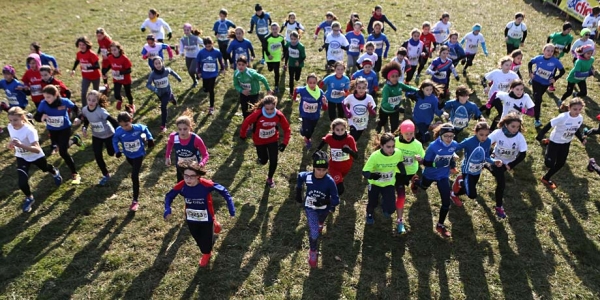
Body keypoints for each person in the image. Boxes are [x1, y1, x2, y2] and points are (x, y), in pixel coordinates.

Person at [164, 161, 235, 267]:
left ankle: (206, 253)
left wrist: (231, 207)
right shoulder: (181, 185)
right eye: (186, 176)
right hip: (191, 217)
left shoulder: (206, 185)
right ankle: (215, 225)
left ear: (198, 176)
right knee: (196, 236)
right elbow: (169, 196)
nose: (188, 179)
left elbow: (224, 191)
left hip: (206, 218)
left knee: (205, 241)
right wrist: (167, 209)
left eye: (192, 176)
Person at [6, 107, 62, 213]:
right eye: (10, 120)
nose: (12, 123)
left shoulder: (29, 130)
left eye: (15, 120)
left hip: (36, 156)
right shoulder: (10, 127)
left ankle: (54, 172)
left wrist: (21, 145)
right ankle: (29, 198)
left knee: (45, 168)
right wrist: (11, 144)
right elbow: (13, 139)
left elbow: (36, 149)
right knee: (22, 183)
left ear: (22, 118)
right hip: (21, 157)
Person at [411, 123, 458, 237]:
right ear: (441, 135)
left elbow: (451, 155)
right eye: (446, 136)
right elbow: (424, 163)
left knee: (446, 202)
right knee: (424, 187)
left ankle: (440, 225)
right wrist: (435, 163)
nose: (449, 139)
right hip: (430, 173)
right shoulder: (433, 146)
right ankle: (415, 182)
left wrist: (452, 165)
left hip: (443, 175)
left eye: (451, 136)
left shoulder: (454, 144)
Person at [296, 150, 339, 268]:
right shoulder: (308, 176)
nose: (321, 172)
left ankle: (320, 223)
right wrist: (298, 191)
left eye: (324, 170)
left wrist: (327, 202)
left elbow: (336, 199)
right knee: (314, 233)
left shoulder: (329, 181)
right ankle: (313, 251)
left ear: (327, 169)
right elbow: (300, 176)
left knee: (321, 220)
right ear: (313, 168)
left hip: (324, 209)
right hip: (310, 209)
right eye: (318, 169)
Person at [34, 85, 84, 184]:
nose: (46, 99)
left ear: (55, 95)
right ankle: (74, 140)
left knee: (63, 152)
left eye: (48, 97)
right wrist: (41, 118)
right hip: (52, 130)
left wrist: (78, 117)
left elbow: (77, 109)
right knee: (60, 145)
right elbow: (37, 116)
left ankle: (74, 173)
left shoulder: (64, 101)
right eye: (44, 97)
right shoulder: (43, 104)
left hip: (64, 129)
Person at [239, 95, 291, 188]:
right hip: (259, 141)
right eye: (267, 109)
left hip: (273, 139)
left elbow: (287, 129)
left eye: (272, 109)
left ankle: (270, 178)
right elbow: (246, 122)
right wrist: (243, 135)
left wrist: (284, 143)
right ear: (263, 106)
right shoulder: (258, 114)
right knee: (263, 161)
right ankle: (261, 159)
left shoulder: (279, 115)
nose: (270, 111)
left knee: (274, 160)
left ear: (275, 106)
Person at [536, 98, 585, 189]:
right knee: (549, 164)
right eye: (575, 109)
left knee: (561, 163)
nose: (577, 112)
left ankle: (546, 178)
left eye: (579, 109)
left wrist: (581, 139)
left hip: (566, 142)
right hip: (555, 141)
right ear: (569, 108)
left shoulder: (580, 118)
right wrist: (541, 134)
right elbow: (550, 124)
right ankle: (548, 143)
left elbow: (576, 129)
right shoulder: (563, 117)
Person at [485, 112, 527, 219]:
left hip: (507, 164)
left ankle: (485, 165)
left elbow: (523, 154)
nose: (515, 129)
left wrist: (511, 165)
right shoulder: (498, 133)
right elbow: (485, 143)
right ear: (506, 124)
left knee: (499, 176)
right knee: (501, 183)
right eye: (513, 126)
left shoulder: (519, 137)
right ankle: (499, 206)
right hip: (496, 160)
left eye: (518, 127)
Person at [112, 112, 155, 212]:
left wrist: (150, 138)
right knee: (134, 169)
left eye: (126, 125)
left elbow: (145, 129)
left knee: (134, 176)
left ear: (131, 120)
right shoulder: (119, 131)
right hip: (128, 155)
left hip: (138, 155)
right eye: (122, 126)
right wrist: (117, 150)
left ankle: (135, 200)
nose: (125, 128)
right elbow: (114, 140)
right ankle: (142, 140)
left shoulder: (138, 128)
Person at [450, 122, 501, 205]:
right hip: (467, 170)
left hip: (477, 170)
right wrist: (454, 154)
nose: (484, 137)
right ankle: (460, 180)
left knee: (468, 188)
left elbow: (486, 156)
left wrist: (494, 161)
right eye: (481, 134)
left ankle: (453, 194)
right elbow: (456, 148)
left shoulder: (488, 141)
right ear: (475, 132)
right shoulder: (468, 141)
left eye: (486, 135)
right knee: (472, 195)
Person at [362, 132, 406, 225]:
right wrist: (373, 175)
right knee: (373, 203)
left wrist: (403, 173)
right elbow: (364, 172)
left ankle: (385, 202)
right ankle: (369, 214)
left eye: (393, 146)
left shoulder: (398, 153)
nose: (391, 149)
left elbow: (399, 162)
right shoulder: (375, 156)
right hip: (375, 184)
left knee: (391, 209)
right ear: (382, 146)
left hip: (389, 183)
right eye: (388, 147)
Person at [81, 90, 118, 186]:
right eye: (89, 100)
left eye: (93, 100)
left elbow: (113, 121)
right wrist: (84, 127)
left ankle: (117, 148)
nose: (91, 102)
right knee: (97, 155)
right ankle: (105, 174)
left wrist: (119, 132)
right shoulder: (85, 109)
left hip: (108, 134)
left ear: (97, 101)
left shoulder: (101, 111)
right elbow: (86, 120)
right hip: (96, 136)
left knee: (111, 153)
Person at [394, 120, 424, 234]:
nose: (409, 136)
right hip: (398, 173)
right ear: (401, 132)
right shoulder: (395, 141)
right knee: (401, 196)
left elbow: (423, 159)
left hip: (411, 171)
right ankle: (400, 221)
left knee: (415, 181)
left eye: (411, 133)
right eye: (406, 133)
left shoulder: (417, 144)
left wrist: (420, 159)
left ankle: (414, 181)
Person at [315, 118, 357, 197]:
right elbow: (324, 141)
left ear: (345, 129)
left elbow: (356, 156)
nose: (340, 132)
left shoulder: (350, 139)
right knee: (340, 189)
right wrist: (316, 151)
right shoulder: (330, 137)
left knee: (339, 181)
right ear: (333, 130)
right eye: (337, 130)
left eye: (342, 129)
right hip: (334, 167)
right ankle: (330, 199)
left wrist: (349, 151)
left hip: (346, 167)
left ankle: (332, 183)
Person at [165, 110, 209, 182]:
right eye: (180, 129)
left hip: (194, 167)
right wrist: (167, 156)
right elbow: (170, 143)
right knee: (181, 184)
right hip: (181, 166)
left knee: (194, 185)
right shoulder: (174, 137)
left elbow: (205, 155)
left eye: (185, 129)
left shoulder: (196, 139)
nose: (182, 132)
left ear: (190, 127)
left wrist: (202, 163)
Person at [528, 44, 565, 127]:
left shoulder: (555, 61)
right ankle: (537, 119)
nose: (550, 53)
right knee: (538, 99)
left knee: (537, 97)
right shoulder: (538, 58)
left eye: (552, 51)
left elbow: (562, 71)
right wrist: (530, 72)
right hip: (536, 80)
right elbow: (530, 63)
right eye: (548, 50)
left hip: (545, 83)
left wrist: (555, 78)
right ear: (543, 51)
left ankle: (535, 108)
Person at [377, 61, 418, 133]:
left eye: (397, 76)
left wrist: (418, 90)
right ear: (388, 77)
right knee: (383, 121)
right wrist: (395, 107)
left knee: (394, 127)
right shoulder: (386, 88)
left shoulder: (400, 84)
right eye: (393, 76)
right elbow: (384, 102)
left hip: (395, 111)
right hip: (385, 110)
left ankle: (393, 138)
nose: (395, 78)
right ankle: (379, 125)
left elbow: (409, 88)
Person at [146, 57, 182, 132]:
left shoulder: (166, 70)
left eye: (159, 63)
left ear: (162, 63)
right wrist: (154, 89)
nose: (158, 65)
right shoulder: (152, 74)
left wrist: (178, 78)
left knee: (163, 106)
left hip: (167, 91)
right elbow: (148, 84)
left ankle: (163, 125)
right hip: (159, 93)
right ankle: (171, 98)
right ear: (153, 65)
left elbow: (171, 71)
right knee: (165, 100)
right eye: (156, 64)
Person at [293, 73, 327, 148]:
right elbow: (296, 90)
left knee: (312, 129)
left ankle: (304, 130)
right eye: (310, 83)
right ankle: (307, 139)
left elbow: (325, 109)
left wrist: (324, 104)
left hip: (315, 115)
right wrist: (294, 98)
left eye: (314, 83)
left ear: (316, 82)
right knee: (308, 131)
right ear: (307, 82)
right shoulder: (303, 90)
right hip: (305, 114)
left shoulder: (320, 92)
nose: (312, 85)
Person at [408, 79, 444, 144]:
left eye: (431, 89)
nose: (429, 92)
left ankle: (418, 136)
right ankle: (419, 144)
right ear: (422, 89)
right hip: (418, 119)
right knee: (427, 137)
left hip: (428, 120)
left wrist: (440, 109)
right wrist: (411, 95)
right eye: (427, 90)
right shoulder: (418, 95)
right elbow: (407, 93)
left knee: (421, 132)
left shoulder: (433, 99)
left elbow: (438, 112)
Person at [196, 37, 225, 114]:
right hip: (204, 73)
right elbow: (198, 62)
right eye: (207, 46)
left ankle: (211, 107)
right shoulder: (201, 53)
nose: (209, 48)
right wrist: (198, 72)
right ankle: (206, 89)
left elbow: (220, 60)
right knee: (206, 89)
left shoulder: (217, 52)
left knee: (211, 89)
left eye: (210, 46)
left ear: (212, 44)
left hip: (213, 73)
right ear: (204, 45)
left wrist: (222, 68)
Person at [103, 42, 134, 113]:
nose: (113, 52)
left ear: (119, 49)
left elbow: (129, 70)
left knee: (128, 93)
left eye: (115, 50)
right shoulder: (110, 57)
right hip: (117, 79)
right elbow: (110, 65)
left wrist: (120, 72)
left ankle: (131, 104)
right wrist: (105, 71)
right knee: (116, 94)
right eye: (112, 50)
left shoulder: (124, 58)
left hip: (126, 79)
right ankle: (120, 99)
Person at [343, 77, 376, 141]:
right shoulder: (351, 97)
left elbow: (374, 114)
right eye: (359, 88)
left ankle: (346, 137)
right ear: (356, 87)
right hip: (353, 122)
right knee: (353, 138)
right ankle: (348, 146)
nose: (361, 90)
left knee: (356, 138)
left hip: (363, 123)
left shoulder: (369, 98)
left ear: (366, 88)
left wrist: (370, 109)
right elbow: (343, 103)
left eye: (363, 88)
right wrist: (347, 112)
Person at [71, 36, 101, 107]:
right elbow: (77, 61)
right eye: (80, 45)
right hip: (86, 76)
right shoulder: (79, 54)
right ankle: (84, 107)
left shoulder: (91, 54)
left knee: (95, 92)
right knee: (83, 92)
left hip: (95, 76)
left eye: (83, 45)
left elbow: (97, 66)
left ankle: (96, 105)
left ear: (87, 45)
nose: (82, 46)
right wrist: (73, 69)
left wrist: (88, 67)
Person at [547, 22, 573, 92]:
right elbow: (549, 37)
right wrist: (548, 45)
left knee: (554, 69)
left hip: (557, 56)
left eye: (570, 29)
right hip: (550, 54)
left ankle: (551, 84)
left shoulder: (569, 37)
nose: (569, 31)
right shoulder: (556, 35)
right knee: (546, 66)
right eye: (568, 29)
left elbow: (568, 46)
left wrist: (566, 50)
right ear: (564, 29)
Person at [262, 23, 285, 93]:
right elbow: (264, 48)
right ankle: (269, 66)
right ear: (271, 29)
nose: (275, 30)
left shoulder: (281, 38)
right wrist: (268, 55)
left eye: (276, 29)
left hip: (277, 57)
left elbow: (284, 47)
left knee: (276, 72)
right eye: (273, 29)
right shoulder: (267, 38)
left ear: (278, 29)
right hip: (269, 57)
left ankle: (276, 86)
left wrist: (283, 55)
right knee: (270, 69)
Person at [283, 31, 306, 97]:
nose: (293, 40)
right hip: (291, 64)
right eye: (291, 39)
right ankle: (291, 92)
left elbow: (303, 56)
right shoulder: (288, 44)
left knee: (297, 78)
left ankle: (297, 77)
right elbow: (286, 53)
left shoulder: (301, 47)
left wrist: (299, 62)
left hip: (298, 65)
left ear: (298, 38)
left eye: (294, 39)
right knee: (291, 78)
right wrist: (285, 63)